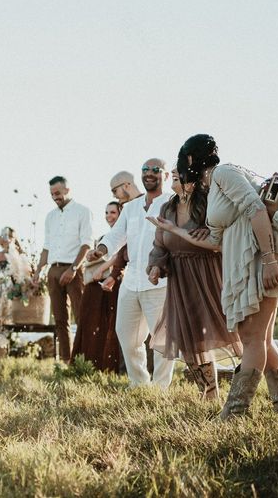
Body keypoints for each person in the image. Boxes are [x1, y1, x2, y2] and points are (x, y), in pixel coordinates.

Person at [149, 135, 278, 417]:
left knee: (252, 338)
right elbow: (215, 240)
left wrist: (268, 260)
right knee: (260, 339)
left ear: (192, 158)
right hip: (243, 259)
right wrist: (175, 230)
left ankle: (234, 412)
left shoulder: (225, 172)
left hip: (257, 256)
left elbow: (255, 210)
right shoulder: (212, 185)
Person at [146, 165, 242, 401]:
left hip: (208, 271)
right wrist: (156, 266)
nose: (175, 172)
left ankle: (248, 377)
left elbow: (217, 236)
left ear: (193, 179)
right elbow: (159, 243)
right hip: (180, 276)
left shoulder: (206, 204)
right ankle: (209, 391)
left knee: (228, 328)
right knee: (186, 335)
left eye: (181, 170)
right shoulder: (166, 208)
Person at [87, 159, 175, 389]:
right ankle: (139, 383)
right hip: (132, 280)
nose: (149, 173)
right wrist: (101, 250)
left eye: (156, 170)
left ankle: (161, 388)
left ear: (165, 176)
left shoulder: (171, 203)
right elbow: (117, 236)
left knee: (162, 339)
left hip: (160, 282)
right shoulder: (131, 209)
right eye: (145, 169)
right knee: (126, 335)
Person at [33, 176, 93, 362]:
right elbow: (47, 247)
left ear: (67, 190)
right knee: (60, 320)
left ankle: (85, 359)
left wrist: (74, 269)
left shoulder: (83, 211)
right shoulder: (50, 217)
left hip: (74, 270)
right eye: (52, 194)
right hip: (53, 271)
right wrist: (38, 270)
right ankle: (67, 360)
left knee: (80, 316)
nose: (54, 197)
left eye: (58, 193)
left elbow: (86, 244)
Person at [71, 201, 126, 372]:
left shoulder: (125, 234)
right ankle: (91, 364)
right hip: (96, 284)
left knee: (112, 324)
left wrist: (101, 269)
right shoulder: (103, 238)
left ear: (120, 214)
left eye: (113, 212)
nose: (109, 216)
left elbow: (118, 258)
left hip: (114, 282)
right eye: (106, 212)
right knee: (94, 323)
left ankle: (111, 366)